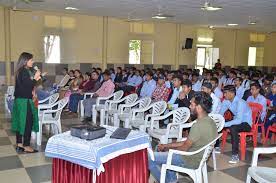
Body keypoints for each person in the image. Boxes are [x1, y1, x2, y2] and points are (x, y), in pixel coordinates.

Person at [149, 92, 218, 183]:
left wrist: (169, 151)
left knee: (149, 158)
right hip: (195, 156)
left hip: (189, 160)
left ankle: (167, 181)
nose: (189, 106)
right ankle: (171, 180)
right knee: (162, 149)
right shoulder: (210, 121)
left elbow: (184, 148)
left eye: (192, 104)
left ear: (199, 108)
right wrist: (166, 145)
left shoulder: (198, 126)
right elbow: (187, 142)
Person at [12, 52, 41, 153]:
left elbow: (25, 85)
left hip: (20, 100)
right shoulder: (24, 71)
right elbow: (28, 85)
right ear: (25, 60)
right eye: (31, 60)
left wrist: (35, 78)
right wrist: (35, 78)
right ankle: (27, 145)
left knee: (20, 121)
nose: (32, 62)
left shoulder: (20, 71)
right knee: (28, 122)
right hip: (24, 101)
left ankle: (19, 144)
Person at [219, 85, 252, 164]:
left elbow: (239, 121)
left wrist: (224, 124)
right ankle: (216, 146)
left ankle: (235, 155)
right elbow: (220, 114)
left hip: (246, 124)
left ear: (232, 93)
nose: (224, 95)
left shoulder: (240, 102)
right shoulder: (226, 101)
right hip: (237, 122)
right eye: (224, 93)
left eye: (226, 93)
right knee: (218, 123)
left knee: (233, 128)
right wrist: (218, 121)